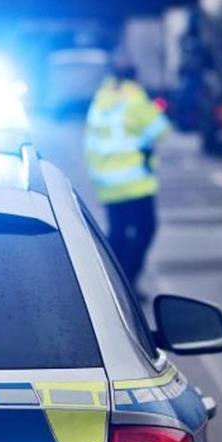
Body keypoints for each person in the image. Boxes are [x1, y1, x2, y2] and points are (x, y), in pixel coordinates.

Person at [85, 58, 170, 291]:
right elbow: (161, 130)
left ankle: (111, 282)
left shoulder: (102, 98)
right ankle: (127, 283)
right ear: (135, 76)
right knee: (146, 230)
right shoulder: (134, 98)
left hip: (106, 180)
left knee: (118, 234)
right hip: (134, 182)